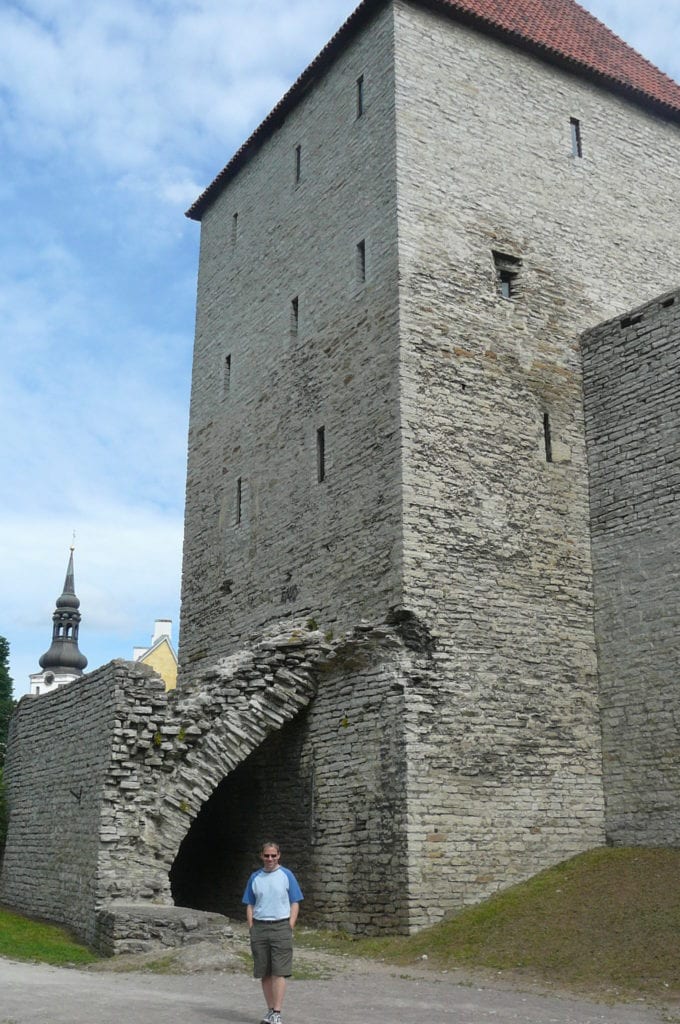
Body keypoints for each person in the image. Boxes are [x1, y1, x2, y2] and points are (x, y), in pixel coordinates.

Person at [242, 841, 303, 1024]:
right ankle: (269, 1011)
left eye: (273, 855)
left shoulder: (287, 875)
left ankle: (277, 1012)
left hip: (280, 926)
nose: (270, 859)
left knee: (279, 971)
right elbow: (250, 903)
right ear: (261, 856)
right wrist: (252, 926)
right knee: (265, 972)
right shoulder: (255, 878)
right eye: (267, 855)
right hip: (260, 927)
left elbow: (295, 901)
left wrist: (290, 925)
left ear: (279, 855)